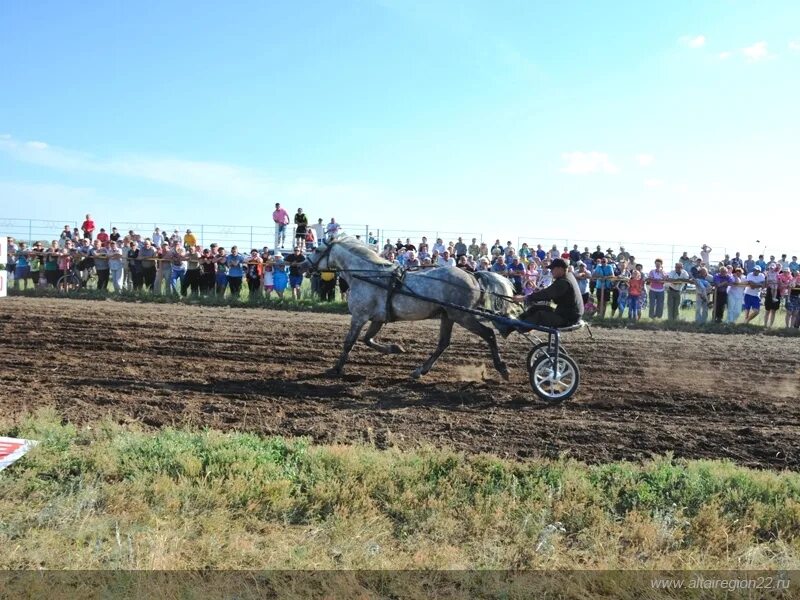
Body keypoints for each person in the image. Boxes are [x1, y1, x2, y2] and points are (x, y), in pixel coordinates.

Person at [505, 259, 583, 333]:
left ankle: (516, 327)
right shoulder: (568, 276)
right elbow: (550, 292)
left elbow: (546, 294)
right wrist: (538, 293)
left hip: (568, 318)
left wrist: (524, 298)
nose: (551, 271)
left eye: (552, 269)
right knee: (537, 307)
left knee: (540, 315)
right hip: (568, 313)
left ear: (560, 268)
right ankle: (517, 321)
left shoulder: (564, 282)